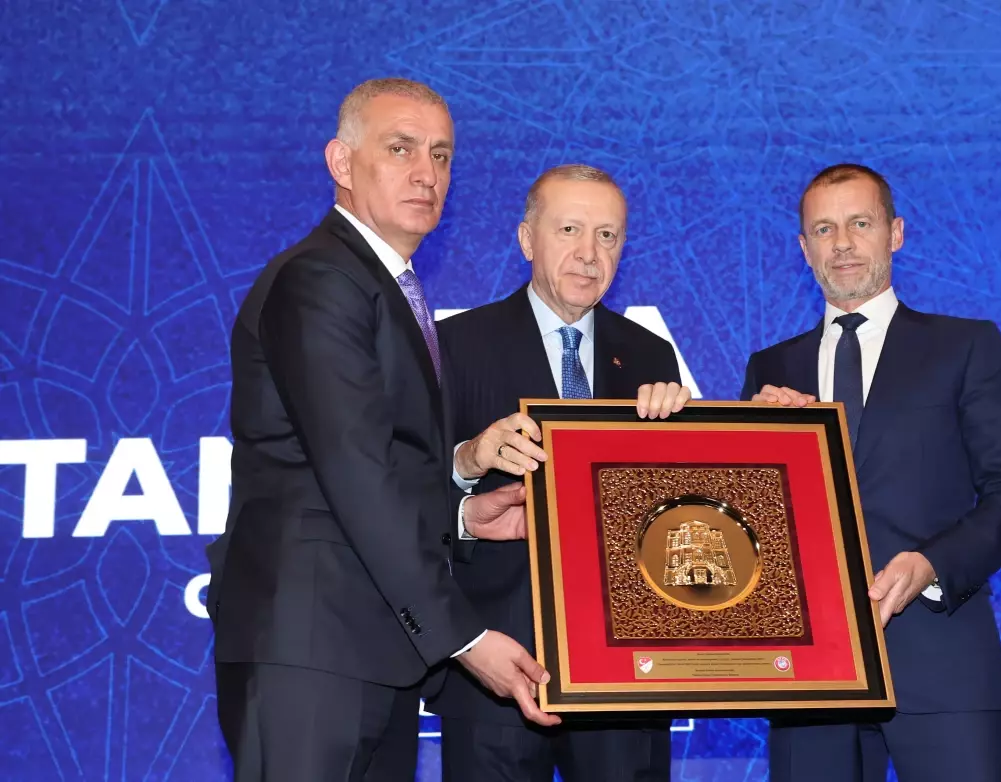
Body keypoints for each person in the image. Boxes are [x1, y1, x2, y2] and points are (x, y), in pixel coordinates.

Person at [206, 77, 558, 782]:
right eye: (401, 149)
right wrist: (465, 637)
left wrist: (460, 514)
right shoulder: (320, 279)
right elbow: (355, 474)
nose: (427, 173)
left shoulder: (385, 284)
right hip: (311, 648)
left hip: (373, 649)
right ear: (341, 162)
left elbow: (381, 460)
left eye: (441, 155)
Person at [741, 163, 1001, 781]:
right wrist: (750, 447)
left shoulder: (964, 346)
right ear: (803, 248)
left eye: (860, 223)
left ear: (896, 233)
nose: (842, 244)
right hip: (809, 675)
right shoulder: (770, 369)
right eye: (824, 229)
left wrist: (929, 565)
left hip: (942, 658)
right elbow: (751, 526)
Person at [427, 164, 689, 781]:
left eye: (607, 235)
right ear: (527, 240)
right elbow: (395, 488)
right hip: (494, 661)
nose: (589, 253)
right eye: (569, 229)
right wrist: (467, 460)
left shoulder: (650, 355)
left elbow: (673, 514)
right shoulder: (452, 343)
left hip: (625, 670)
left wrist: (679, 441)